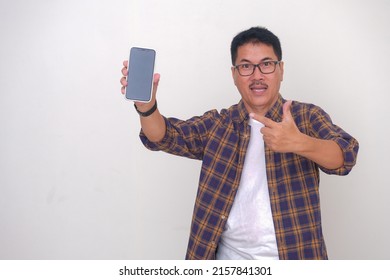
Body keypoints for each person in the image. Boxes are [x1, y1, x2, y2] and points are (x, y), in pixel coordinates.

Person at [120, 27, 359, 260]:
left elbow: (346, 156)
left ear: (281, 70)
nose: (257, 75)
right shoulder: (219, 125)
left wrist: (299, 142)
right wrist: (147, 106)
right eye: (246, 66)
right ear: (234, 74)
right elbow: (163, 136)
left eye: (266, 64)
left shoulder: (305, 117)